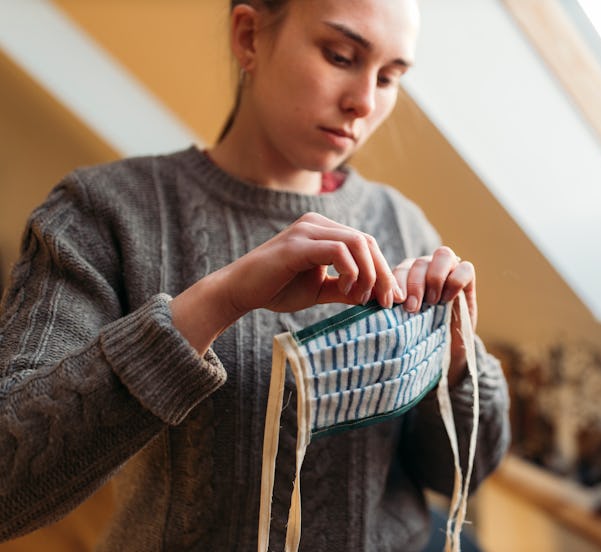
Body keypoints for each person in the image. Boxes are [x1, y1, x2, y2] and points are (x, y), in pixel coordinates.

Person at [0, 0, 511, 550]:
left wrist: (457, 361)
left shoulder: (402, 224)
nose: (363, 102)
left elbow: (464, 471)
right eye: (340, 56)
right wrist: (219, 300)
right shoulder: (102, 212)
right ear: (248, 37)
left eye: (389, 78)